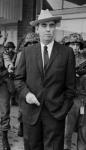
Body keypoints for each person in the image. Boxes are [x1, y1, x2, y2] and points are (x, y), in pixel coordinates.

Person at [14, 9, 76, 150]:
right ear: (37, 28)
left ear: (55, 27)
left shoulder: (67, 53)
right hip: (31, 114)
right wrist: (27, 94)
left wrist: (62, 112)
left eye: (51, 25)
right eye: (44, 25)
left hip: (55, 115)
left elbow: (71, 88)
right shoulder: (27, 52)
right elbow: (18, 79)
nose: (48, 29)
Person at [63, 33, 86, 150]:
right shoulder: (62, 60)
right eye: (73, 44)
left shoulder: (84, 61)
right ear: (67, 45)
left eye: (77, 44)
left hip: (83, 99)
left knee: (83, 131)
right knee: (67, 131)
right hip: (69, 100)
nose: (75, 47)